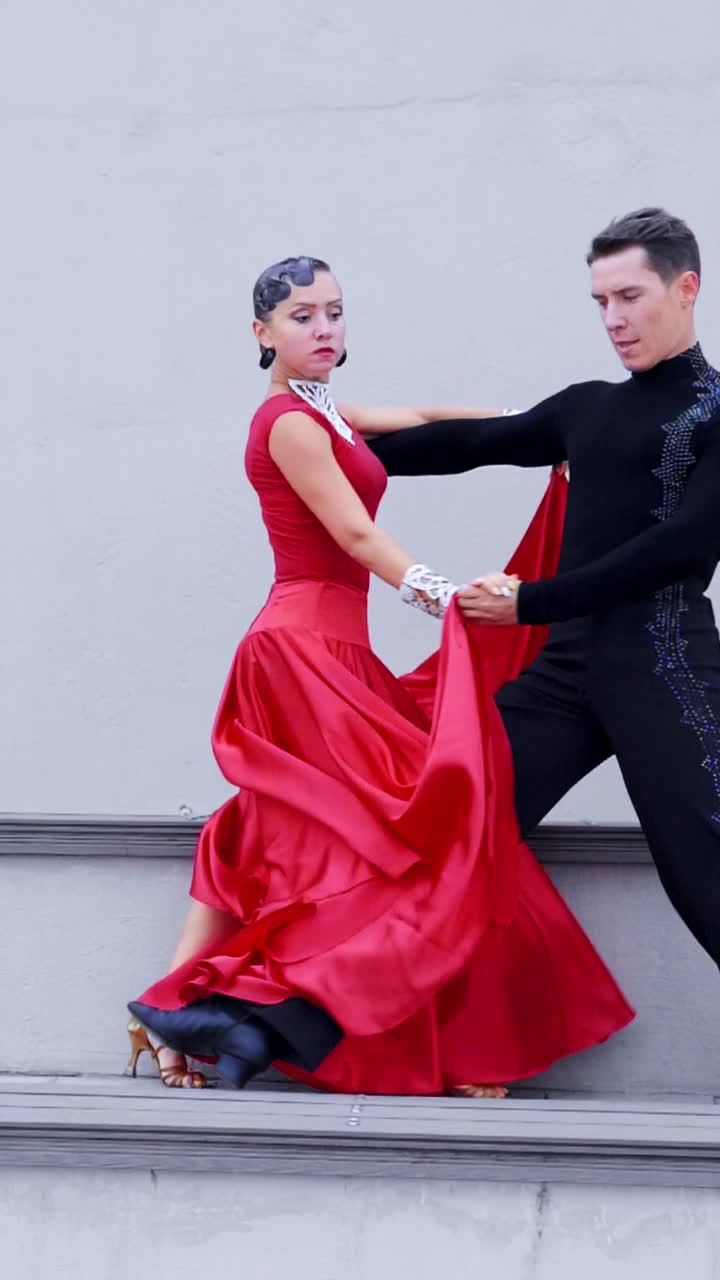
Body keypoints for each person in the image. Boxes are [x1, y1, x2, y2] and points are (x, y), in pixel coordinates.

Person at [127, 255, 633, 1096]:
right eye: (300, 316)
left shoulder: (324, 410)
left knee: (264, 831)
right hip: (299, 651)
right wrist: (442, 598)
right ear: (262, 334)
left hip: (334, 648)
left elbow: (423, 416)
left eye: (333, 312)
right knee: (397, 828)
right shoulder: (286, 424)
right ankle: (437, 1038)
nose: (322, 329)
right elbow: (357, 538)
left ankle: (164, 1011)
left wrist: (548, 429)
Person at [369, 207, 720, 983]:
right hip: (565, 674)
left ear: (686, 287)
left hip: (663, 664)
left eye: (629, 297)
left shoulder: (715, 411)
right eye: (600, 302)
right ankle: (288, 1022)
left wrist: (532, 603)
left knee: (705, 868)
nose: (613, 320)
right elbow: (469, 446)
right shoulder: (587, 407)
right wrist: (328, 446)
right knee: (448, 825)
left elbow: (680, 546)